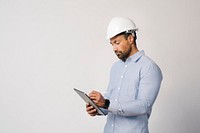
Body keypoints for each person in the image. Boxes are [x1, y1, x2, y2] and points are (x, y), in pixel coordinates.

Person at [86, 17, 163, 133]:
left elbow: (143, 106)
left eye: (117, 43)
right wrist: (98, 108)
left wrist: (106, 103)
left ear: (131, 38)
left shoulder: (149, 67)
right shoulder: (115, 67)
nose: (114, 48)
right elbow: (111, 103)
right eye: (112, 44)